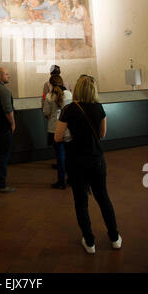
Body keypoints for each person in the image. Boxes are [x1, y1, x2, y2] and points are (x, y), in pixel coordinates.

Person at [54, 75, 122, 254]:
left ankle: (90, 242)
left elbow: (57, 137)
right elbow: (102, 134)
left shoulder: (69, 109)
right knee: (103, 198)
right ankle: (115, 238)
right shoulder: (99, 108)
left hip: (76, 161)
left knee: (81, 202)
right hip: (96, 160)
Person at [43, 75, 72, 189]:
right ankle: (71, 179)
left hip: (54, 129)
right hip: (68, 129)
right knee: (69, 156)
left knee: (60, 156)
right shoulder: (69, 94)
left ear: (51, 84)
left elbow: (46, 112)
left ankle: (61, 181)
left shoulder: (49, 96)